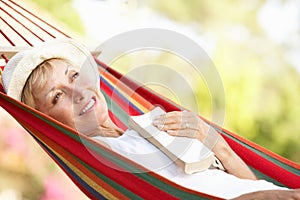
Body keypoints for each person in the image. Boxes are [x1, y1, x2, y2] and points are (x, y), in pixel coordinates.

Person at [2, 38, 299, 199]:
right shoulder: (104, 167)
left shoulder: (151, 124)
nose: (76, 91)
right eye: (57, 96)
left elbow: (248, 187)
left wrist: (217, 144)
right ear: (47, 124)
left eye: (75, 76)